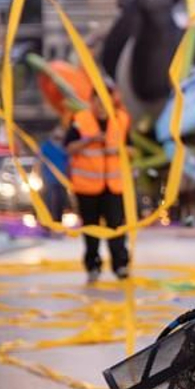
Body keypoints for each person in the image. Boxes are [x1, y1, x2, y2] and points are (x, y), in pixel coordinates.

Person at [66, 89, 132, 282]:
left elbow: (132, 150)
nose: (103, 107)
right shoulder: (80, 119)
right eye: (99, 102)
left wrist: (118, 150)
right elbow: (69, 147)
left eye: (106, 102)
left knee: (116, 227)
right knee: (90, 229)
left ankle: (121, 265)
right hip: (87, 187)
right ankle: (93, 265)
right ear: (91, 102)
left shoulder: (121, 119)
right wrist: (90, 141)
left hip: (114, 186)